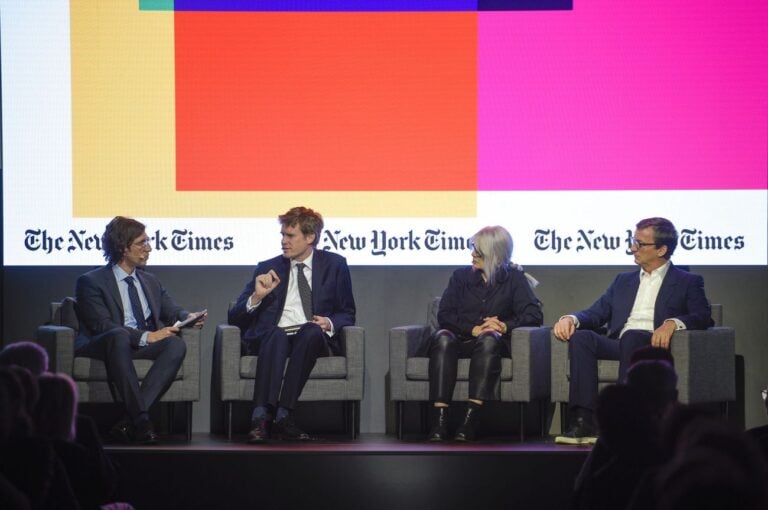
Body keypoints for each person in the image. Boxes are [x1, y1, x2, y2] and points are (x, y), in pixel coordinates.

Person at [553, 217, 712, 444]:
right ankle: (583, 422)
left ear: (662, 249)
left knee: (632, 335)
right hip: (623, 342)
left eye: (639, 243)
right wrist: (571, 318)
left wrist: (673, 323)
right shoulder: (623, 280)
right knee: (582, 338)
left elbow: (703, 316)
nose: (632, 248)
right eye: (632, 241)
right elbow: (597, 312)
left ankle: (624, 420)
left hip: (654, 345)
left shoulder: (687, 281)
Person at [229, 206, 356, 443]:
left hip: (310, 336)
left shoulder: (335, 265)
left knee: (310, 331)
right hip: (273, 337)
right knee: (275, 335)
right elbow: (235, 317)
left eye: (290, 236)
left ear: (310, 238)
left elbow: (347, 312)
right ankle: (261, 418)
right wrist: (257, 297)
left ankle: (284, 414)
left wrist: (328, 322)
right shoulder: (268, 267)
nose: (284, 242)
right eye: (282, 235)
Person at [75, 216, 205, 444]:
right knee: (117, 335)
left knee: (176, 344)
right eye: (142, 243)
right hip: (107, 345)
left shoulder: (150, 281)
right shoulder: (91, 281)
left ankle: (129, 421)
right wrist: (147, 336)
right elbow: (102, 325)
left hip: (138, 345)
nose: (149, 248)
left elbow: (171, 308)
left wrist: (187, 317)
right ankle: (143, 421)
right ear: (122, 248)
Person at [423, 225, 543, 442]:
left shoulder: (514, 279)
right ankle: (438, 420)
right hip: (461, 340)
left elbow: (533, 314)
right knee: (443, 337)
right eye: (473, 249)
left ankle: (471, 419)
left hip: (491, 346)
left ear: (494, 255)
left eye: (478, 251)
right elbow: (445, 314)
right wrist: (472, 328)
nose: (472, 254)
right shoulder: (460, 278)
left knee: (489, 339)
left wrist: (504, 326)